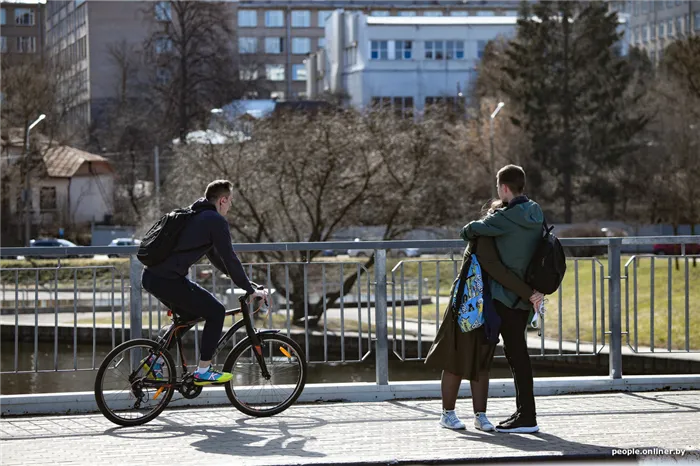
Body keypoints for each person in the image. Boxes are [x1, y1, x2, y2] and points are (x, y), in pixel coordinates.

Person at [425, 204, 542, 433]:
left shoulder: (495, 234)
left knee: (480, 359)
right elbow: (493, 267)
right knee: (458, 358)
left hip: (484, 304)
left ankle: (480, 415)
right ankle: (448, 414)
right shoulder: (484, 235)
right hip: (468, 302)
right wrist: (528, 292)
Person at [141, 180, 268, 385]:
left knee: (191, 314)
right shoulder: (215, 221)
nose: (230, 206)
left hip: (152, 277)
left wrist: (248, 285)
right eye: (230, 202)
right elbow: (230, 258)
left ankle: (154, 359)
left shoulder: (196, 213)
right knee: (216, 311)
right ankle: (203, 370)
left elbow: (217, 260)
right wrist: (248, 288)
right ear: (223, 200)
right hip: (167, 280)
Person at [461, 164, 544, 434]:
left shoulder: (505, 218)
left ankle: (527, 416)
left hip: (508, 297)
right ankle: (523, 412)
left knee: (517, 355)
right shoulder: (534, 211)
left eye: (499, 187)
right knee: (519, 353)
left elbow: (469, 230)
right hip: (526, 295)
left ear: (504, 188)